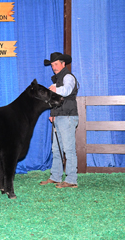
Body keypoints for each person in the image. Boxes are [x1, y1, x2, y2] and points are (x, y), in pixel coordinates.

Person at [40, 52, 79, 188]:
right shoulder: (57, 80)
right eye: (52, 65)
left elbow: (67, 91)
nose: (54, 67)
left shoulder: (68, 77)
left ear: (63, 64)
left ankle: (71, 179)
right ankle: (55, 176)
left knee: (68, 150)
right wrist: (52, 113)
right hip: (59, 116)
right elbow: (56, 100)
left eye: (56, 64)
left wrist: (55, 88)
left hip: (67, 116)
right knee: (56, 149)